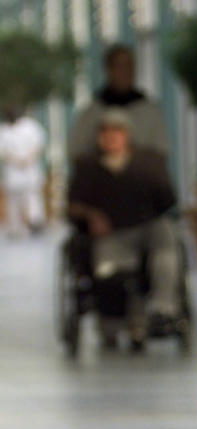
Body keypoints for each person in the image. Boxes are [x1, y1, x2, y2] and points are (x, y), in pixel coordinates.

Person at [67, 109, 180, 347]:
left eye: (117, 132)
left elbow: (168, 199)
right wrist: (91, 215)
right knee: (110, 272)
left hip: (146, 227)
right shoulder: (87, 166)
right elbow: (71, 206)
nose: (111, 137)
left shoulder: (148, 161)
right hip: (111, 232)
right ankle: (117, 320)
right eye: (105, 132)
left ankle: (163, 308)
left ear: (127, 135)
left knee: (165, 236)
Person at [68, 43, 169, 165]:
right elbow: (77, 152)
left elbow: (161, 151)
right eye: (119, 66)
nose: (124, 71)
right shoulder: (93, 112)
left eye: (128, 66)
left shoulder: (149, 111)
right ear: (109, 69)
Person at [0, 108, 46, 236]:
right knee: (14, 201)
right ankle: (15, 228)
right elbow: (3, 151)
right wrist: (16, 160)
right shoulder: (4, 130)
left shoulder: (30, 126)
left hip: (29, 169)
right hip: (13, 171)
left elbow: (39, 144)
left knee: (33, 198)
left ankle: (36, 223)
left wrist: (28, 158)